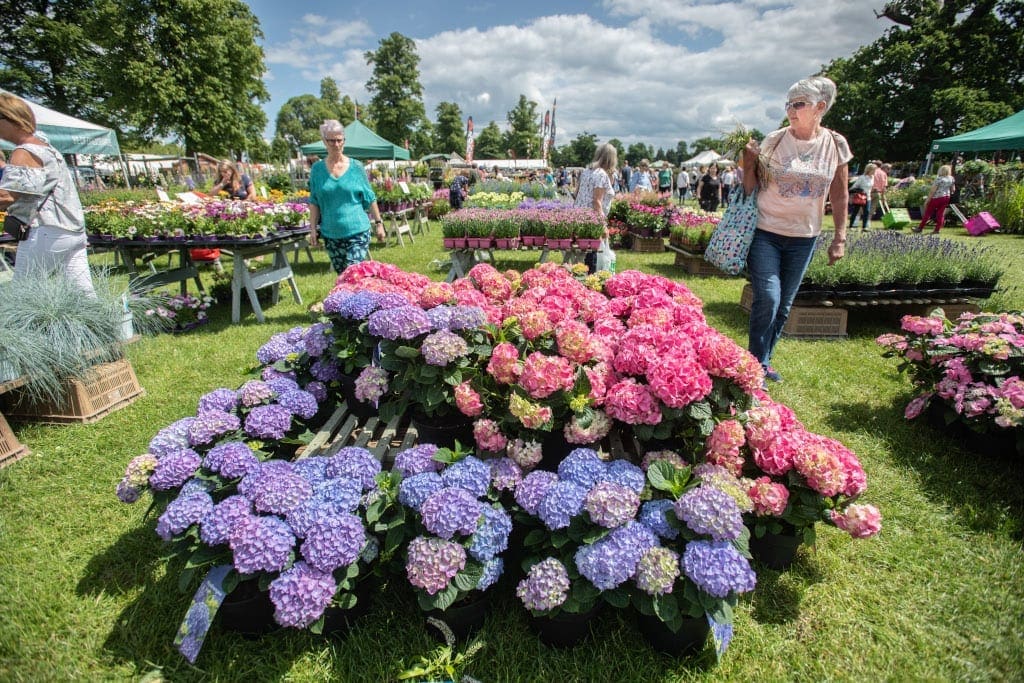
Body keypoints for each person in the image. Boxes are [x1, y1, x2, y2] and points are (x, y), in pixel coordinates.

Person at [742, 76, 851, 384]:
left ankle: (763, 360)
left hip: (805, 236)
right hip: (767, 230)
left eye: (799, 104)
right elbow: (750, 188)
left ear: (820, 107)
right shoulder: (775, 140)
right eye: (788, 103)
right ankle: (754, 365)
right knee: (769, 297)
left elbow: (840, 194)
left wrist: (840, 237)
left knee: (784, 304)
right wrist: (747, 164)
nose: (791, 110)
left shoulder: (835, 144)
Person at [0, 92, 94, 294]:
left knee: (21, 298)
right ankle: (111, 326)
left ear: (9, 119)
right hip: (72, 231)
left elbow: (8, 196)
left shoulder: (24, 152)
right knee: (85, 299)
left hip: (46, 231)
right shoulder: (47, 148)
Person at [307, 120, 387, 274]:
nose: (336, 144)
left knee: (354, 274)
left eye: (339, 140)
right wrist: (312, 229)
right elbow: (314, 202)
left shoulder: (356, 167)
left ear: (344, 140)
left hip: (357, 231)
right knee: (343, 278)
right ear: (324, 141)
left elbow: (370, 197)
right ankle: (363, 296)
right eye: (331, 140)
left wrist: (379, 223)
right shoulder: (317, 169)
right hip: (331, 234)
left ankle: (368, 295)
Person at [574, 143, 617, 274]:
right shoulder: (601, 174)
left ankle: (581, 277)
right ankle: (591, 281)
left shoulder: (587, 171)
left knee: (582, 255)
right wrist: (603, 225)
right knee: (592, 255)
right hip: (591, 220)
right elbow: (597, 201)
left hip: (579, 216)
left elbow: (576, 194)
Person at [912, 165, 955, 234]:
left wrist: (927, 200)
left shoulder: (939, 179)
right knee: (940, 214)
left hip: (937, 197)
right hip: (946, 197)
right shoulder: (951, 178)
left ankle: (920, 228)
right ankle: (937, 230)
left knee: (928, 213)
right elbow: (953, 190)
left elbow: (932, 191)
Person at [848, 163, 876, 231]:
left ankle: (864, 227)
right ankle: (851, 226)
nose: (874, 171)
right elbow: (854, 186)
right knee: (856, 211)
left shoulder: (872, 178)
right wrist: (860, 190)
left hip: (868, 197)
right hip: (860, 196)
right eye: (873, 170)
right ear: (869, 170)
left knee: (867, 211)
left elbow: (870, 187)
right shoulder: (862, 177)